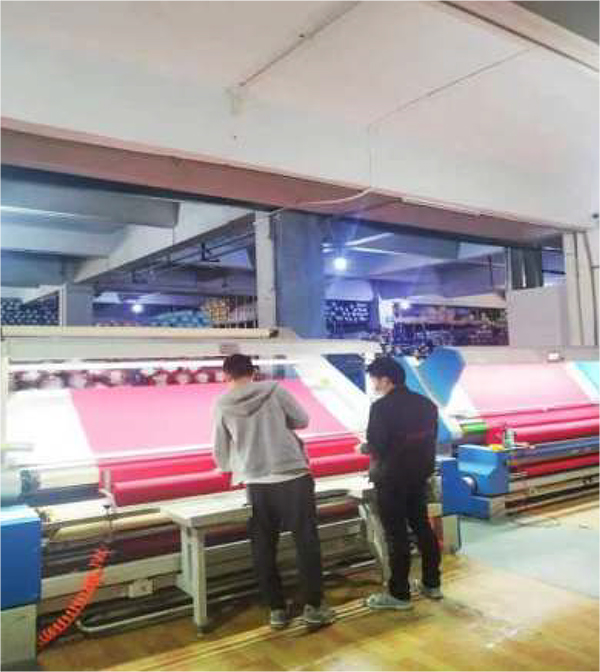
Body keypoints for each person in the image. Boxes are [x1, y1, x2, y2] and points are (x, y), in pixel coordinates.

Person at [212, 354, 335, 630]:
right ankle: (313, 606)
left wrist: (228, 469)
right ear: (253, 371)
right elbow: (302, 420)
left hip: (256, 481)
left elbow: (220, 447)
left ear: (226, 375)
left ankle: (277, 610)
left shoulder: (221, 403)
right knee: (306, 542)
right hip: (292, 474)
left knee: (264, 546)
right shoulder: (275, 390)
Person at [360, 356, 442, 610]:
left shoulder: (381, 408)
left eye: (374, 379)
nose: (374, 385)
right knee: (422, 528)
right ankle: (432, 584)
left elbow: (377, 445)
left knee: (396, 536)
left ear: (386, 380)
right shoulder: (427, 404)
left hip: (391, 479)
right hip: (418, 477)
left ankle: (399, 595)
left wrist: (363, 447)